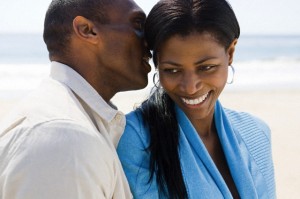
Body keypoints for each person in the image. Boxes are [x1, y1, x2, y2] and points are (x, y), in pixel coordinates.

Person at [117, 0, 276, 198]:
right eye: (172, 70)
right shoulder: (135, 139)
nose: (190, 87)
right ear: (157, 64)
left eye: (206, 67)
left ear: (231, 52)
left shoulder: (256, 132)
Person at [0, 0, 151, 198]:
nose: (150, 41)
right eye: (138, 25)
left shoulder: (70, 122)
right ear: (87, 30)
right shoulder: (66, 138)